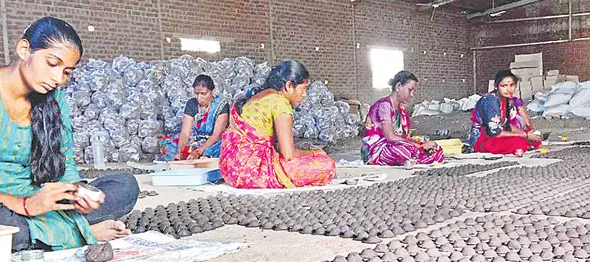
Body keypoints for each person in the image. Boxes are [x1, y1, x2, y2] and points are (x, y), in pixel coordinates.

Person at [0, 17, 139, 252]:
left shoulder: (55, 98)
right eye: (52, 63)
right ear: (24, 49)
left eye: (67, 71)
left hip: (37, 199)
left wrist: (76, 193)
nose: (58, 79)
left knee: (125, 186)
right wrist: (24, 205)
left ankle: (53, 231)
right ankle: (81, 232)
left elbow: (66, 162)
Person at [219, 60, 335, 188]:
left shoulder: (262, 95)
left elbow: (279, 146)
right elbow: (288, 154)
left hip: (229, 168)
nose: (305, 94)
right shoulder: (280, 103)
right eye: (303, 88)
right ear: (289, 85)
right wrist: (314, 152)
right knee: (326, 165)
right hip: (249, 171)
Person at [361, 71, 444, 166]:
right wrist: (419, 146)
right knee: (404, 150)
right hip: (377, 150)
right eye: (410, 90)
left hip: (397, 146)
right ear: (398, 86)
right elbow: (390, 137)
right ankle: (412, 158)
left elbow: (406, 138)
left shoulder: (402, 112)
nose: (412, 94)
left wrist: (424, 144)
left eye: (413, 91)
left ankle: (412, 159)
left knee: (436, 150)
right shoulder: (384, 105)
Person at [467, 69, 541, 156]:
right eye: (504, 86)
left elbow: (508, 126)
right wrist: (524, 135)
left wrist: (526, 134)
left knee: (533, 140)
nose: (508, 89)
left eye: (511, 85)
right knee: (517, 141)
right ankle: (517, 147)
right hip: (484, 139)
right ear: (497, 86)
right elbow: (494, 132)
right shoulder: (490, 101)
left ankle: (520, 146)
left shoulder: (508, 101)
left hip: (500, 134)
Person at [159, 74, 229, 161]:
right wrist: (180, 151)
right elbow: (185, 133)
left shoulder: (221, 105)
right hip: (197, 140)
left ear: (212, 91)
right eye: (196, 93)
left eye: (203, 94)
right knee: (170, 146)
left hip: (213, 141)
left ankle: (206, 156)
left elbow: (217, 135)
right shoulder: (192, 104)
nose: (199, 98)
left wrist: (199, 151)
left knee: (224, 146)